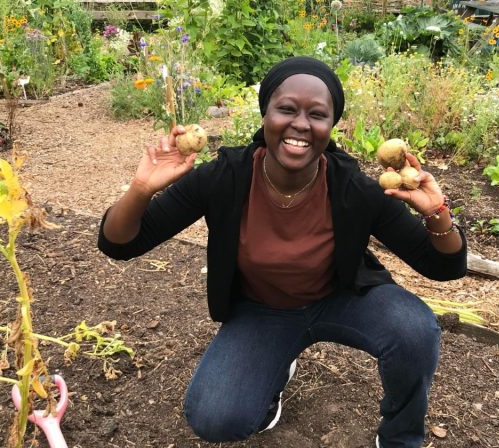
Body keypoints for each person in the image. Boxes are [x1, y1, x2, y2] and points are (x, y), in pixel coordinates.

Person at [98, 56, 467, 448]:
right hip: (262, 311)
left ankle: (399, 437)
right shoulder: (224, 177)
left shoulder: (352, 187)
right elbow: (120, 244)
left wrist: (437, 213)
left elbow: (444, 266)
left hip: (343, 297)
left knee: (413, 329)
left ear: (330, 126)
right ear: (266, 115)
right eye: (286, 109)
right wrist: (142, 187)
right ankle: (275, 371)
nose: (301, 124)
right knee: (215, 419)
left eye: (317, 114)